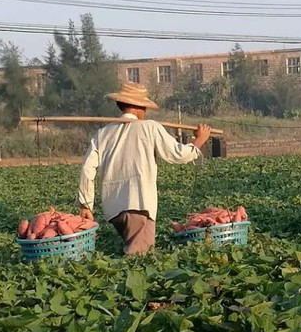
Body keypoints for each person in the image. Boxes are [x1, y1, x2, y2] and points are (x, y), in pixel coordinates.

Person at [77, 83, 212, 255]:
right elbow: (177, 154)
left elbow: (87, 169)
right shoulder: (150, 127)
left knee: (134, 251)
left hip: (113, 211)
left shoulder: (103, 133)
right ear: (140, 107)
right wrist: (200, 140)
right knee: (140, 259)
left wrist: (85, 205)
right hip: (139, 204)